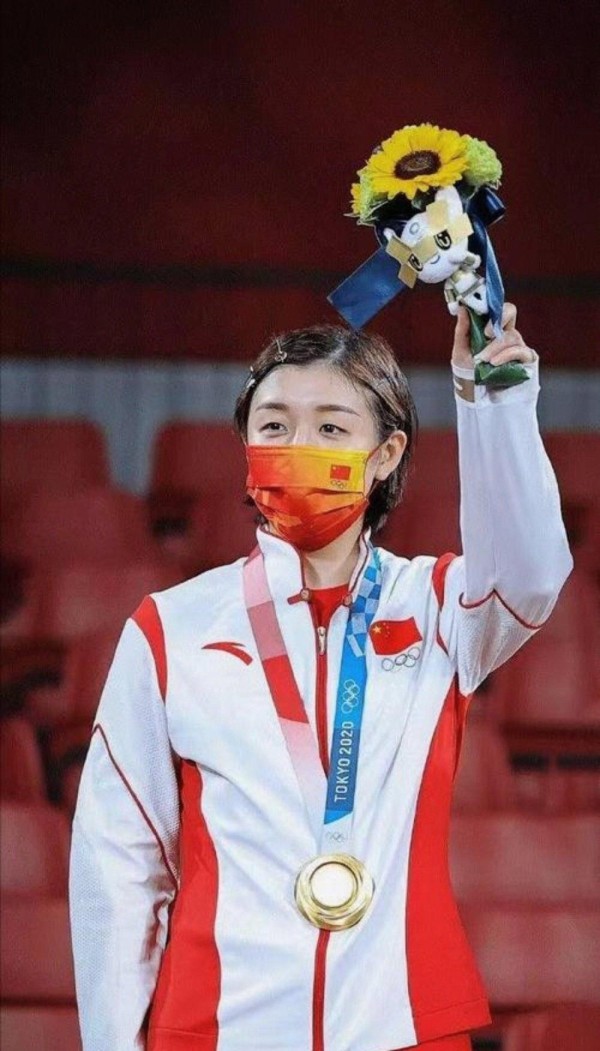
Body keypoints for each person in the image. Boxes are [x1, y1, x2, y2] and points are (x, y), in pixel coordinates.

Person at [69, 305, 573, 1051]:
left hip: (401, 1022)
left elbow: (529, 573)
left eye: (331, 427)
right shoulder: (171, 627)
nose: (297, 447)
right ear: (246, 445)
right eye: (274, 426)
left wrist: (493, 405)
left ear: (386, 453)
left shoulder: (437, 606)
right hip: (214, 1026)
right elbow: (119, 859)